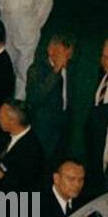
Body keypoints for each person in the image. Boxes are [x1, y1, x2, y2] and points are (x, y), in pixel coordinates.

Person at [25, 31, 76, 163]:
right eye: (62, 54)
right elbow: (35, 97)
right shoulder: (37, 69)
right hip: (43, 129)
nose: (66, 58)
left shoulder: (71, 69)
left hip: (63, 127)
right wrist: (56, 71)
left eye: (69, 54)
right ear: (51, 50)